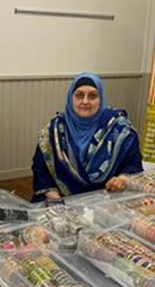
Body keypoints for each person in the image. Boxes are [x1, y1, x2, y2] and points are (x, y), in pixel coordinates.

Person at [31, 72, 143, 202]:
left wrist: (122, 179)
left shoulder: (119, 128)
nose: (85, 101)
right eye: (79, 95)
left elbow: (133, 164)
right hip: (62, 202)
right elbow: (41, 171)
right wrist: (59, 203)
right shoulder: (53, 131)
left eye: (92, 96)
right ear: (70, 97)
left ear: (100, 98)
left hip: (108, 203)